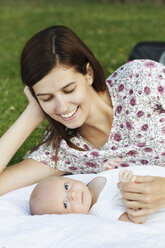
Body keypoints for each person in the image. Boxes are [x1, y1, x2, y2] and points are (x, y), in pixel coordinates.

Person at [0, 25, 164, 224]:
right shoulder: (65, 149)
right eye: (46, 97)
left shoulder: (141, 80)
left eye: (68, 90)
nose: (62, 107)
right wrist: (32, 115)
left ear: (88, 73)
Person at [30, 169, 141, 223]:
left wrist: (109, 169)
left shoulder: (90, 183)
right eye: (65, 204)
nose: (73, 194)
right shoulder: (100, 210)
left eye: (66, 186)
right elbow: (136, 219)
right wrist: (128, 191)